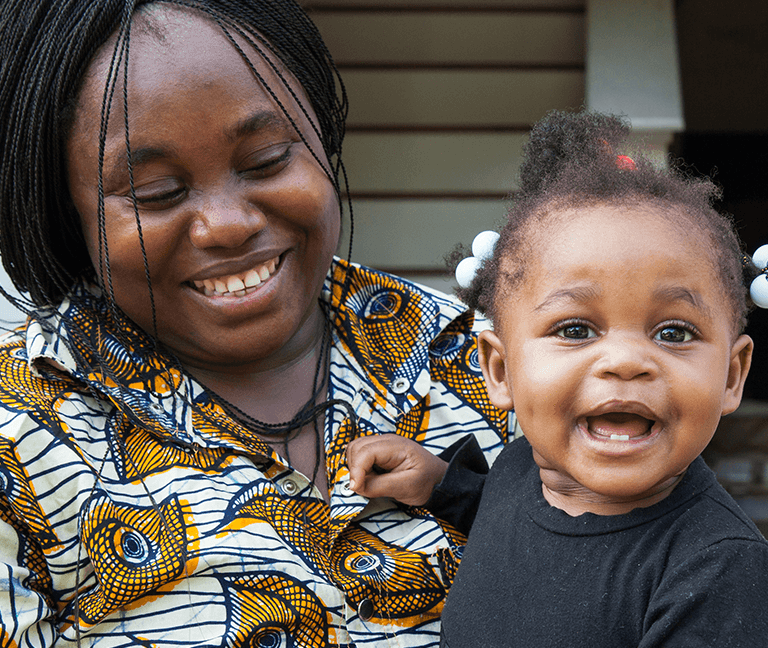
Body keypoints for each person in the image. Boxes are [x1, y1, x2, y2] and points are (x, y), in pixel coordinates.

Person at [0, 1, 513, 645]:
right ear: (63, 208)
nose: (228, 224)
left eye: (268, 159)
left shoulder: (496, 360)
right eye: (157, 193)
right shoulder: (18, 439)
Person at [346, 111, 768, 647]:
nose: (626, 361)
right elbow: (510, 524)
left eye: (673, 333)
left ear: (732, 376)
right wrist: (440, 485)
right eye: (576, 328)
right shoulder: (522, 468)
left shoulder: (717, 567)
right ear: (502, 370)